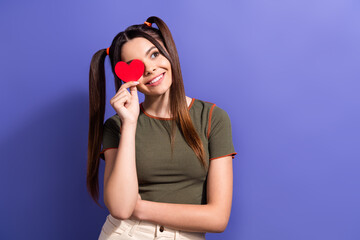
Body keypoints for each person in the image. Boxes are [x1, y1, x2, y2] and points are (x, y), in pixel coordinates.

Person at [87, 16, 236, 240]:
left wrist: (139, 208)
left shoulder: (212, 117)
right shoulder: (117, 125)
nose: (150, 69)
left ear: (169, 52)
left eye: (154, 54)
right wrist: (129, 124)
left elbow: (218, 219)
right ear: (127, 77)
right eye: (136, 66)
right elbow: (119, 209)